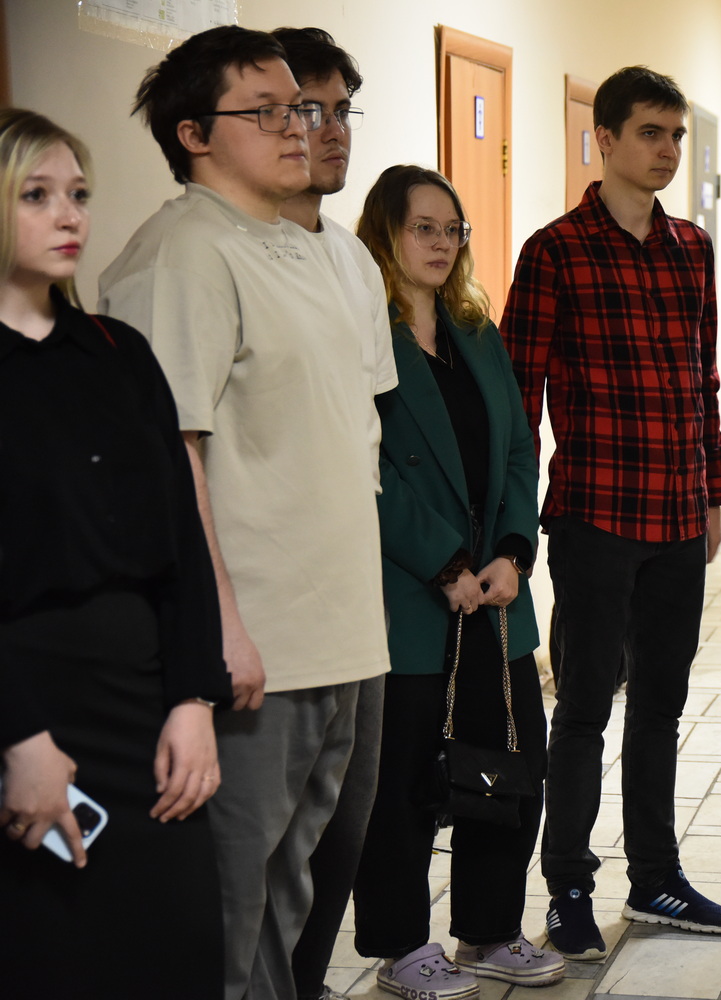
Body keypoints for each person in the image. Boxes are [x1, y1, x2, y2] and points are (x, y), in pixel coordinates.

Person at [97, 26, 392, 999]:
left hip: (340, 632)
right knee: (227, 912)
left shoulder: (316, 251)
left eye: (300, 106)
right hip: (257, 645)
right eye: (265, 111)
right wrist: (219, 629)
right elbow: (169, 459)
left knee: (290, 900)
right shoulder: (182, 254)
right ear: (194, 135)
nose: (299, 126)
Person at [502, 64, 721, 959]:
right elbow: (520, 400)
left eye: (675, 135)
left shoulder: (692, 249)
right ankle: (568, 886)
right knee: (584, 709)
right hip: (595, 516)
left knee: (661, 708)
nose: (667, 150)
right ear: (603, 140)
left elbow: (702, 381)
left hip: (676, 516)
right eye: (650, 133)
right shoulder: (555, 251)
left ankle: (655, 878)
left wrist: (711, 491)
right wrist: (511, 528)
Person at [0, 108, 230, 997]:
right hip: (27, 702)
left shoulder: (118, 352)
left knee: (176, 946)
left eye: (79, 194)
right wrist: (20, 738)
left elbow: (181, 540)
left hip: (144, 710)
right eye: (37, 195)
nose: (70, 216)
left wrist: (192, 700)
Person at [350, 164, 564, 995]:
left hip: (497, 595)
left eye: (453, 230)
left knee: (511, 761)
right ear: (385, 234)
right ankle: (403, 947)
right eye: (423, 228)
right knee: (405, 776)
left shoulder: (476, 330)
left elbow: (517, 445)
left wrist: (512, 548)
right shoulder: (362, 333)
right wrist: (446, 563)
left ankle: (488, 931)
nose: (442, 244)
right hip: (412, 593)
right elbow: (364, 464)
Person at [270, 27, 399, 1000]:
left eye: (342, 110)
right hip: (269, 621)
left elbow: (367, 428)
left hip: (355, 606)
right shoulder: (206, 255)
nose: (331, 130)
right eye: (309, 109)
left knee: (336, 843)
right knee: (262, 866)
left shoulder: (351, 263)